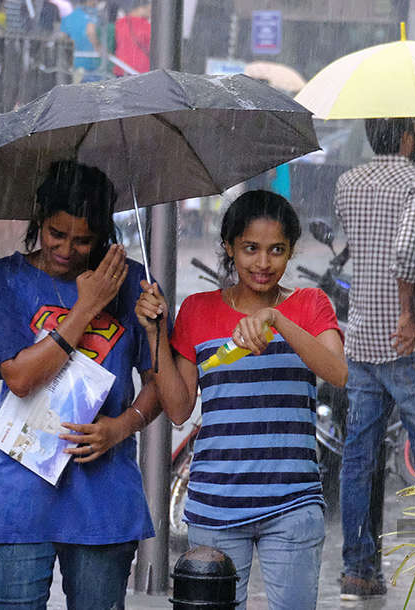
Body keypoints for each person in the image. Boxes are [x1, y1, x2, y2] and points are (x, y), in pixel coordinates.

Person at [135, 190, 346, 610]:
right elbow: (177, 409)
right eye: (250, 248)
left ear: (290, 252)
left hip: (293, 503)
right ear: (230, 247)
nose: (263, 263)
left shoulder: (309, 304)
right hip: (215, 505)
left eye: (276, 250)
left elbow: (337, 373)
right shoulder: (198, 310)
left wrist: (278, 320)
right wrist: (155, 334)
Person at [0, 160, 162, 608]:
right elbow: (19, 378)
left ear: (103, 236)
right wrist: (86, 308)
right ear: (39, 220)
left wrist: (122, 427)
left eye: (84, 240)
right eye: (56, 233)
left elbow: (159, 386)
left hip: (102, 491)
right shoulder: (6, 279)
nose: (67, 249)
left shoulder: (132, 283)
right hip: (18, 488)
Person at [333, 117, 415, 600]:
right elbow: (405, 251)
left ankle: (358, 569)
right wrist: (406, 313)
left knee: (359, 455)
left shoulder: (348, 182)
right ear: (405, 136)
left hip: (361, 339)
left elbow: (366, 247)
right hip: (408, 340)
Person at [61, 0, 103, 82]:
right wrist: (97, 46)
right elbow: (91, 32)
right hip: (97, 64)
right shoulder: (99, 15)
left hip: (78, 64)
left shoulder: (69, 17)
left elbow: (64, 38)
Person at [113, 1, 151, 76]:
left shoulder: (119, 23)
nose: (151, 13)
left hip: (121, 68)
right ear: (140, 8)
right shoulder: (146, 26)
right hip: (141, 70)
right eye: (149, 10)